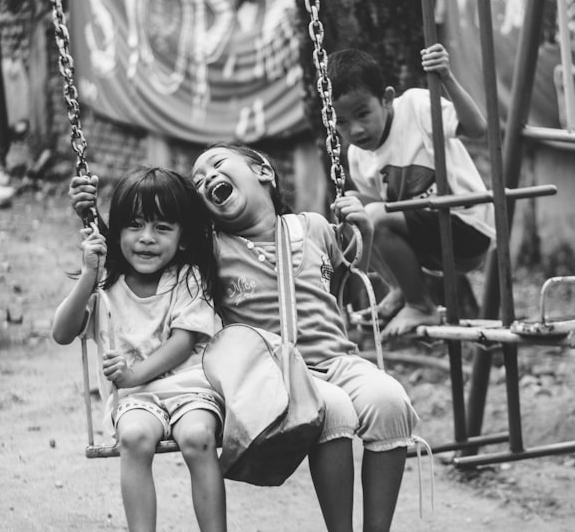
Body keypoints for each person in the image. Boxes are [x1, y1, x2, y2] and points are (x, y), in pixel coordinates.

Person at [72, 146, 420, 532]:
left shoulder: (316, 227)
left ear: (264, 172)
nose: (207, 181)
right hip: (273, 373)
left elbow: (347, 295)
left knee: (390, 401)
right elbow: (143, 248)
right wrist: (93, 218)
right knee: (333, 407)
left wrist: (364, 235)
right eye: (199, 183)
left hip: (339, 361)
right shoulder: (211, 248)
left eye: (218, 166)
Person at [53, 166, 226, 532]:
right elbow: (61, 332)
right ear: (116, 233)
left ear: (181, 238)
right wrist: (88, 274)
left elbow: (183, 343)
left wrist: (132, 373)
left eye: (162, 228)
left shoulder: (188, 278)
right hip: (135, 400)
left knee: (198, 436)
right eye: (134, 226)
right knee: (133, 436)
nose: (146, 238)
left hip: (191, 390)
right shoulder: (105, 284)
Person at [326, 44, 495, 337]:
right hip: (427, 243)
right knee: (352, 205)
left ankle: (421, 305)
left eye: (363, 114)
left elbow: (478, 129)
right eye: (341, 122)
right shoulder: (357, 156)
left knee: (374, 215)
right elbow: (378, 229)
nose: (355, 130)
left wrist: (446, 77)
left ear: (387, 99)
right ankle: (400, 288)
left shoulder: (415, 107)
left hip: (466, 227)